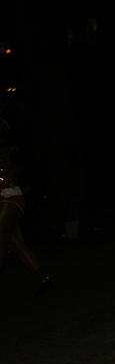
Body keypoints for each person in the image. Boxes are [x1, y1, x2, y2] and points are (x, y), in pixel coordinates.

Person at [0, 118, 51, 294]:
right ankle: (43, 278)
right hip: (2, 202)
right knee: (14, 243)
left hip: (11, 201)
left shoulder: (12, 152)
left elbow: (40, 170)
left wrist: (21, 189)